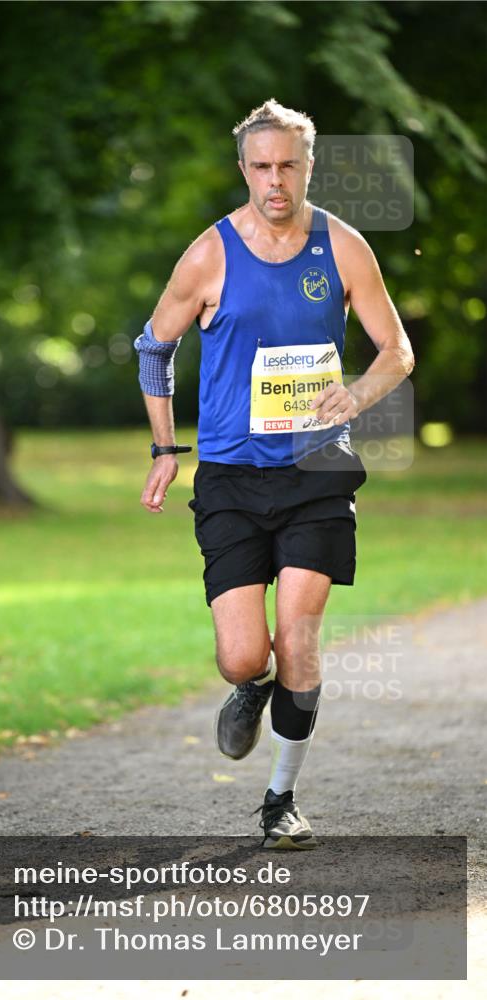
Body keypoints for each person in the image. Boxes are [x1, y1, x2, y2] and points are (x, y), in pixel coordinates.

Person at [134, 99, 414, 849]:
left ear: (308, 165)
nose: (275, 180)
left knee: (297, 641)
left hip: (318, 468)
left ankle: (279, 798)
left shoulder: (343, 247)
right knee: (244, 653)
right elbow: (152, 347)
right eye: (260, 167)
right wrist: (166, 450)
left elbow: (396, 350)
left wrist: (355, 394)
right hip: (228, 475)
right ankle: (245, 685)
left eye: (287, 164)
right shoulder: (209, 254)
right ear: (243, 170)